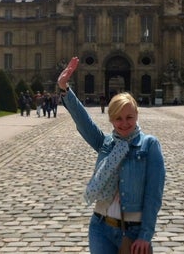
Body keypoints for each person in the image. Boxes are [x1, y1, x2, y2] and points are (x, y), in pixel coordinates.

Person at [58, 56, 165, 254]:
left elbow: (153, 196)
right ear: (111, 119)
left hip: (133, 232)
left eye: (129, 117)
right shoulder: (106, 143)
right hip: (100, 227)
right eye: (118, 118)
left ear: (137, 116)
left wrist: (145, 235)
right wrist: (65, 89)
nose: (124, 123)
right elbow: (84, 122)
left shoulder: (149, 145)